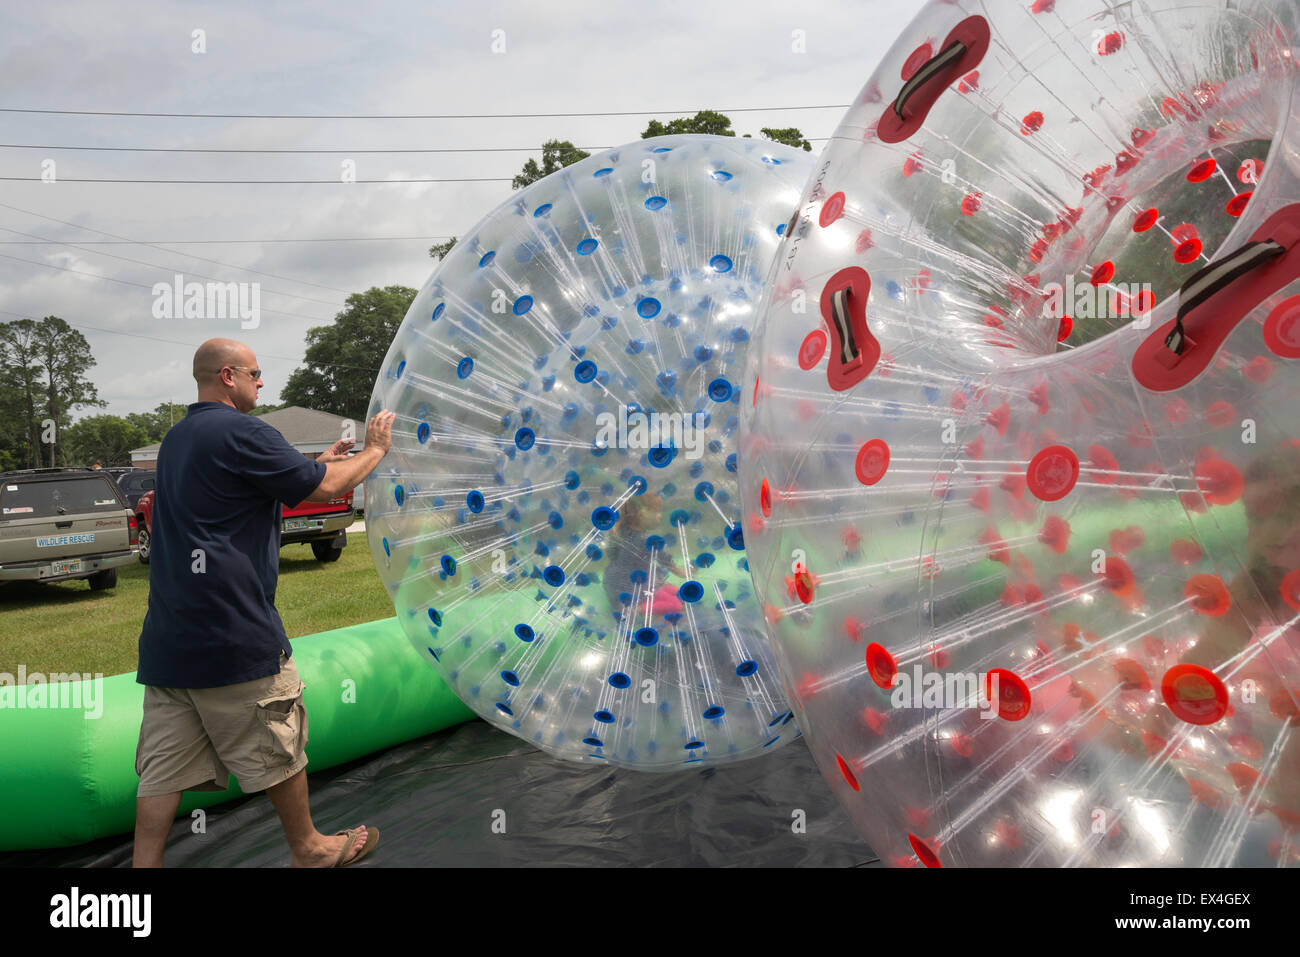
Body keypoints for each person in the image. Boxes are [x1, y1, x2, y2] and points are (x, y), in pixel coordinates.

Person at [131, 338, 396, 867]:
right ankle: (311, 850)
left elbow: (247, 491)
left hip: (168, 643)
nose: (261, 383)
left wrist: (315, 465)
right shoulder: (243, 429)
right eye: (255, 373)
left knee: (162, 770)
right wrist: (374, 451)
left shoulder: (178, 438)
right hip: (234, 634)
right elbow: (323, 492)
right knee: (279, 741)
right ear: (228, 376)